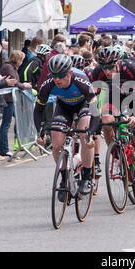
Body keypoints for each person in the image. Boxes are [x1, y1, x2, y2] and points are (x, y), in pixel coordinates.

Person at [90, 46, 135, 194]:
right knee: (106, 121)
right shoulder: (98, 73)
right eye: (104, 67)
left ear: (117, 63)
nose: (107, 71)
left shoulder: (130, 68)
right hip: (114, 98)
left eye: (111, 67)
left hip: (134, 98)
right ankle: (117, 156)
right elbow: (93, 98)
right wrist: (93, 119)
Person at [35, 54, 99, 196]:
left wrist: (91, 133)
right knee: (57, 145)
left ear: (69, 73)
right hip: (64, 106)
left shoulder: (81, 81)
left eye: (61, 75)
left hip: (84, 105)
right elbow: (38, 109)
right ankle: (64, 179)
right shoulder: (48, 84)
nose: (57, 79)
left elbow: (95, 110)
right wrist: (40, 132)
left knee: (84, 136)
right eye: (54, 75)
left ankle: (87, 177)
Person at [0, 50, 32, 157]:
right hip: (8, 99)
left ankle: (20, 144)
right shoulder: (8, 67)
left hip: (12, 99)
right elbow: (14, 82)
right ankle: (4, 149)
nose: (22, 62)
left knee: (19, 120)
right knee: (6, 124)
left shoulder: (11, 67)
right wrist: (24, 85)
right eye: (21, 60)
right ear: (17, 59)